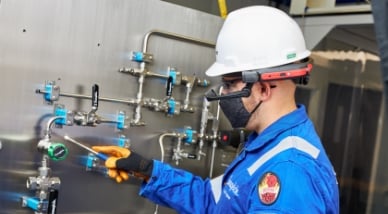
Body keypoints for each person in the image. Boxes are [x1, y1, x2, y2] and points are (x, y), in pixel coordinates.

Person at [92, 5, 339, 214]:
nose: (222, 93)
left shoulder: (289, 172)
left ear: (263, 89)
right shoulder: (264, 145)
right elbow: (212, 200)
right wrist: (146, 170)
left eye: (230, 84)